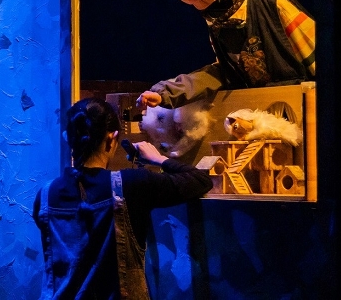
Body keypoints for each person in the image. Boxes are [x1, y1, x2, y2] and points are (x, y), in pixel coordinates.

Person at [33, 98, 212, 299]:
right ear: (112, 138)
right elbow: (200, 180)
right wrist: (158, 159)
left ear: (68, 138)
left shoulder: (45, 195)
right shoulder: (131, 184)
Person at [138, 0, 316, 110]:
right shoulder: (216, 15)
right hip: (256, 111)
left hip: (296, 109)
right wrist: (166, 93)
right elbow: (225, 71)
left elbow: (318, 56)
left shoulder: (271, 2)